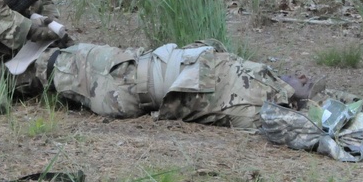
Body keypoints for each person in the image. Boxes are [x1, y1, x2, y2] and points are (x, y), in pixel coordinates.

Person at [33, 42, 311, 130]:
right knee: (58, 57)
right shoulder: (261, 85)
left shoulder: (254, 106)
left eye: (300, 81)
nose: (300, 76)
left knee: (53, 59)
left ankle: (28, 71)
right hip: (126, 79)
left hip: (122, 81)